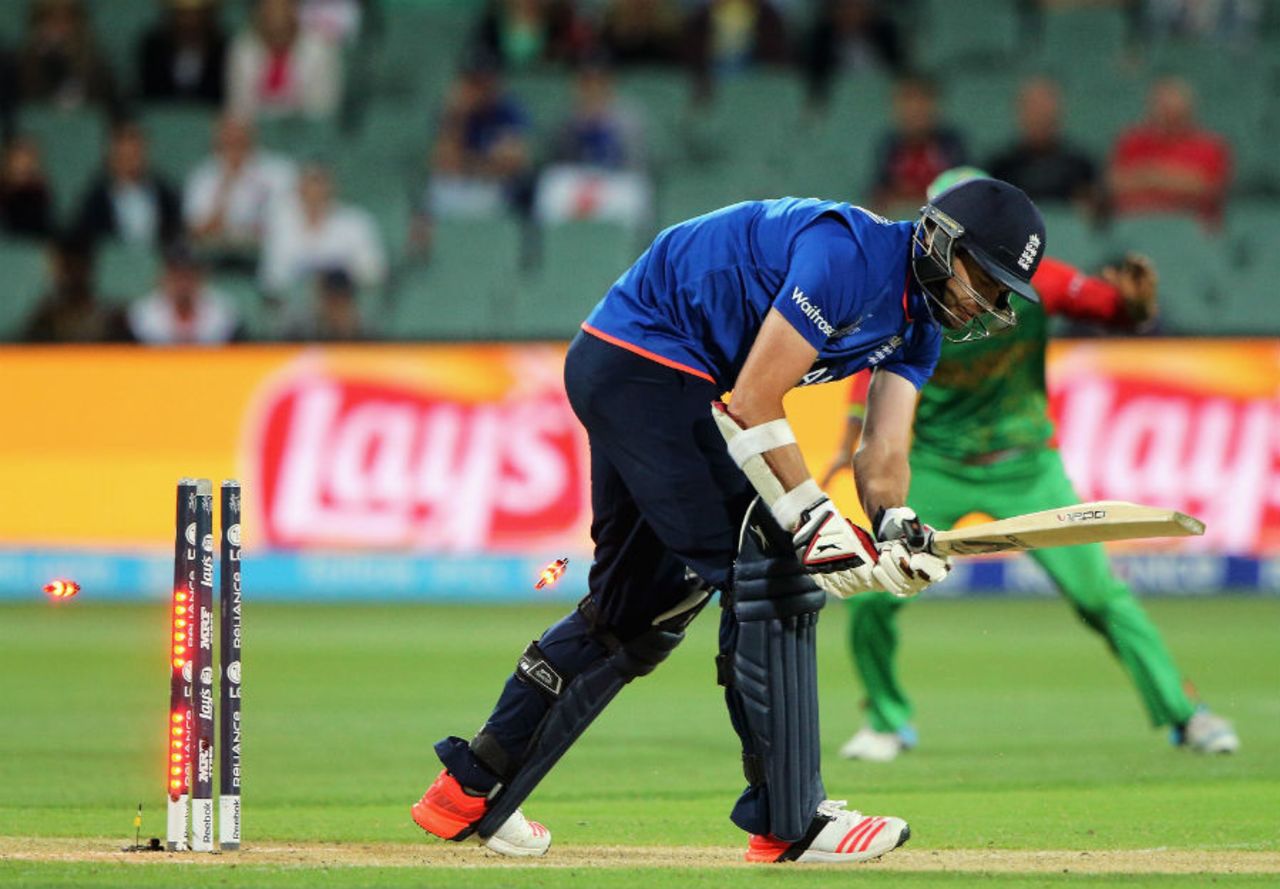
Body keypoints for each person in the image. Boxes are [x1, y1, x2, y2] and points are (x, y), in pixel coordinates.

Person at [409, 179, 1049, 862]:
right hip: (649, 361)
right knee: (777, 566)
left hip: (637, 368)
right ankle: (792, 821)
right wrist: (811, 519)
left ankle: (472, 786)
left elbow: (883, 450)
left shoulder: (920, 328)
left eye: (1004, 289)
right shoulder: (850, 257)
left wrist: (896, 524)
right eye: (983, 275)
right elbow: (752, 400)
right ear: (939, 241)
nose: (987, 300)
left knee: (638, 611)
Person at [824, 167, 1240, 764]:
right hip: (934, 463)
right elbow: (871, 356)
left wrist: (1135, 309)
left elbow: (1108, 307)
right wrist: (849, 433)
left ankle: (1184, 713)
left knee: (1099, 598)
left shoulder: (1035, 277)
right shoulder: (903, 283)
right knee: (871, 597)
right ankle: (889, 721)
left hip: (1025, 465)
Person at [1107, 76, 1231, 228]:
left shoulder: (1210, 146)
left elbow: (1206, 189)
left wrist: (1149, 175)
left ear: (1188, 110)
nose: (1164, 111)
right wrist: (1174, 179)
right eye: (1160, 105)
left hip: (1191, 230)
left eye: (1171, 108)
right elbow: (1116, 184)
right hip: (1136, 225)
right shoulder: (1132, 141)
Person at [259, 161, 386, 297]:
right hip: (299, 303)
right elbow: (272, 278)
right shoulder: (281, 227)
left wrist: (332, 277)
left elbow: (373, 272)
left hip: (344, 299)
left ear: (332, 187)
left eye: (320, 182)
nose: (315, 190)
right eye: (308, 183)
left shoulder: (356, 223)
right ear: (298, 188)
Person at [184, 114, 298, 256]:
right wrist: (226, 185)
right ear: (217, 139)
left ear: (252, 135)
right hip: (219, 256)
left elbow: (293, 220)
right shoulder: (203, 175)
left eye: (239, 137)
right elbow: (198, 231)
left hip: (269, 252)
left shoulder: (279, 170)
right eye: (228, 137)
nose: (234, 143)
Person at [988, 76, 1099, 214]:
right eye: (1033, 106)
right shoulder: (1000, 168)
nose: (1040, 115)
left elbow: (1092, 214)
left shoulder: (1080, 167)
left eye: (1046, 106)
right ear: (1019, 113)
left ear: (1059, 111)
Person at [868, 75, 968, 218]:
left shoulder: (951, 144)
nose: (914, 110)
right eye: (907, 101)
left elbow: (962, 195)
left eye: (921, 102)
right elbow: (879, 199)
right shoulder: (889, 146)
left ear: (935, 106)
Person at [72, 120, 183, 248]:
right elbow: (83, 240)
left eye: (136, 153)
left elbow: (176, 236)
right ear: (112, 156)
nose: (131, 161)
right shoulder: (95, 200)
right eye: (125, 155)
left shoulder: (166, 196)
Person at [226, 0, 342, 121]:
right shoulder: (242, 48)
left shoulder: (320, 49)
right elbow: (239, 108)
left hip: (306, 134)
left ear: (294, 9)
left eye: (283, 6)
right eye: (269, 7)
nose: (276, 13)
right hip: (256, 132)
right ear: (258, 11)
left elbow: (322, 110)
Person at [124, 241, 241, 345]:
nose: (183, 283)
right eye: (177, 275)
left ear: (201, 276)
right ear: (164, 277)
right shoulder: (142, 314)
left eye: (188, 274)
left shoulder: (223, 311)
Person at [16, 0, 118, 111]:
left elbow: (106, 109)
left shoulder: (97, 69)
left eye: (66, 19)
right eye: (50, 19)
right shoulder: (20, 68)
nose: (58, 27)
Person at [23, 235, 125, 342]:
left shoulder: (113, 319)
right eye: (58, 267)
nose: (64, 275)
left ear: (87, 267)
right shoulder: (45, 318)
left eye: (70, 266)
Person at [138, 0, 229, 105]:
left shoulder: (223, 47)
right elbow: (148, 94)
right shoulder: (153, 47)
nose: (190, 21)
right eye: (183, 14)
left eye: (196, 14)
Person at [0, 134, 55, 239]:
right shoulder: (3, 189)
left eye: (28, 158)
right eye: (18, 158)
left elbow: (45, 226)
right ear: (8, 160)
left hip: (32, 245)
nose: (23, 163)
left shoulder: (39, 191)